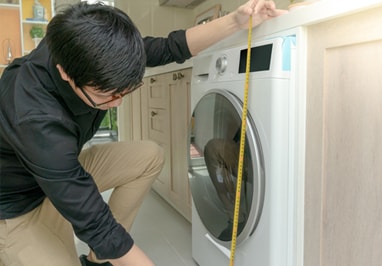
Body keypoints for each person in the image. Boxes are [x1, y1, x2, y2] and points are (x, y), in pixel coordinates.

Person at [0, 1, 287, 265]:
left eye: (125, 91)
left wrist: (237, 20)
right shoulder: (32, 114)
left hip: (59, 173)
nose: (118, 102)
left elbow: (170, 47)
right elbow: (94, 221)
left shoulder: (91, 45)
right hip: (14, 208)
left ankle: (101, 259)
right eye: (107, 95)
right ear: (65, 74)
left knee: (148, 156)